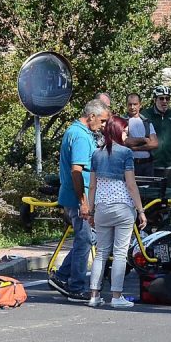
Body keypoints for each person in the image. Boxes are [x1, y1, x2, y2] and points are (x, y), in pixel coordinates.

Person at [86, 118, 148, 309]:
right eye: (125, 131)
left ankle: (94, 295)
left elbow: (93, 185)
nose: (127, 135)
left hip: (102, 207)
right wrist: (141, 210)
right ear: (118, 131)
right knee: (120, 253)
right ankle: (116, 296)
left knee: (101, 253)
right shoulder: (126, 153)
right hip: (122, 207)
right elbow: (131, 185)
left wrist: (91, 211)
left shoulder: (97, 154)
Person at [52, 99, 110, 301]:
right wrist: (83, 202)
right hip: (77, 197)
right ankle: (75, 288)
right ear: (91, 116)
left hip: (77, 195)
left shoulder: (80, 132)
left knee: (85, 239)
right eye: (102, 121)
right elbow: (77, 172)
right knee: (85, 240)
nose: (103, 126)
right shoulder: (80, 136)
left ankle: (60, 277)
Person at [143, 85, 171, 185]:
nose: (165, 101)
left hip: (168, 165)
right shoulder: (145, 115)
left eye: (167, 98)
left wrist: (168, 143)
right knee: (151, 196)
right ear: (155, 99)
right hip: (151, 164)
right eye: (161, 98)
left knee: (168, 195)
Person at [125, 93, 159, 178]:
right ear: (126, 105)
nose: (132, 107)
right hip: (130, 165)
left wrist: (136, 148)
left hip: (147, 165)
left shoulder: (146, 122)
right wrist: (144, 140)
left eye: (135, 104)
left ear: (140, 105)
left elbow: (154, 143)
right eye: (130, 104)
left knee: (148, 189)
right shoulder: (122, 122)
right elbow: (124, 141)